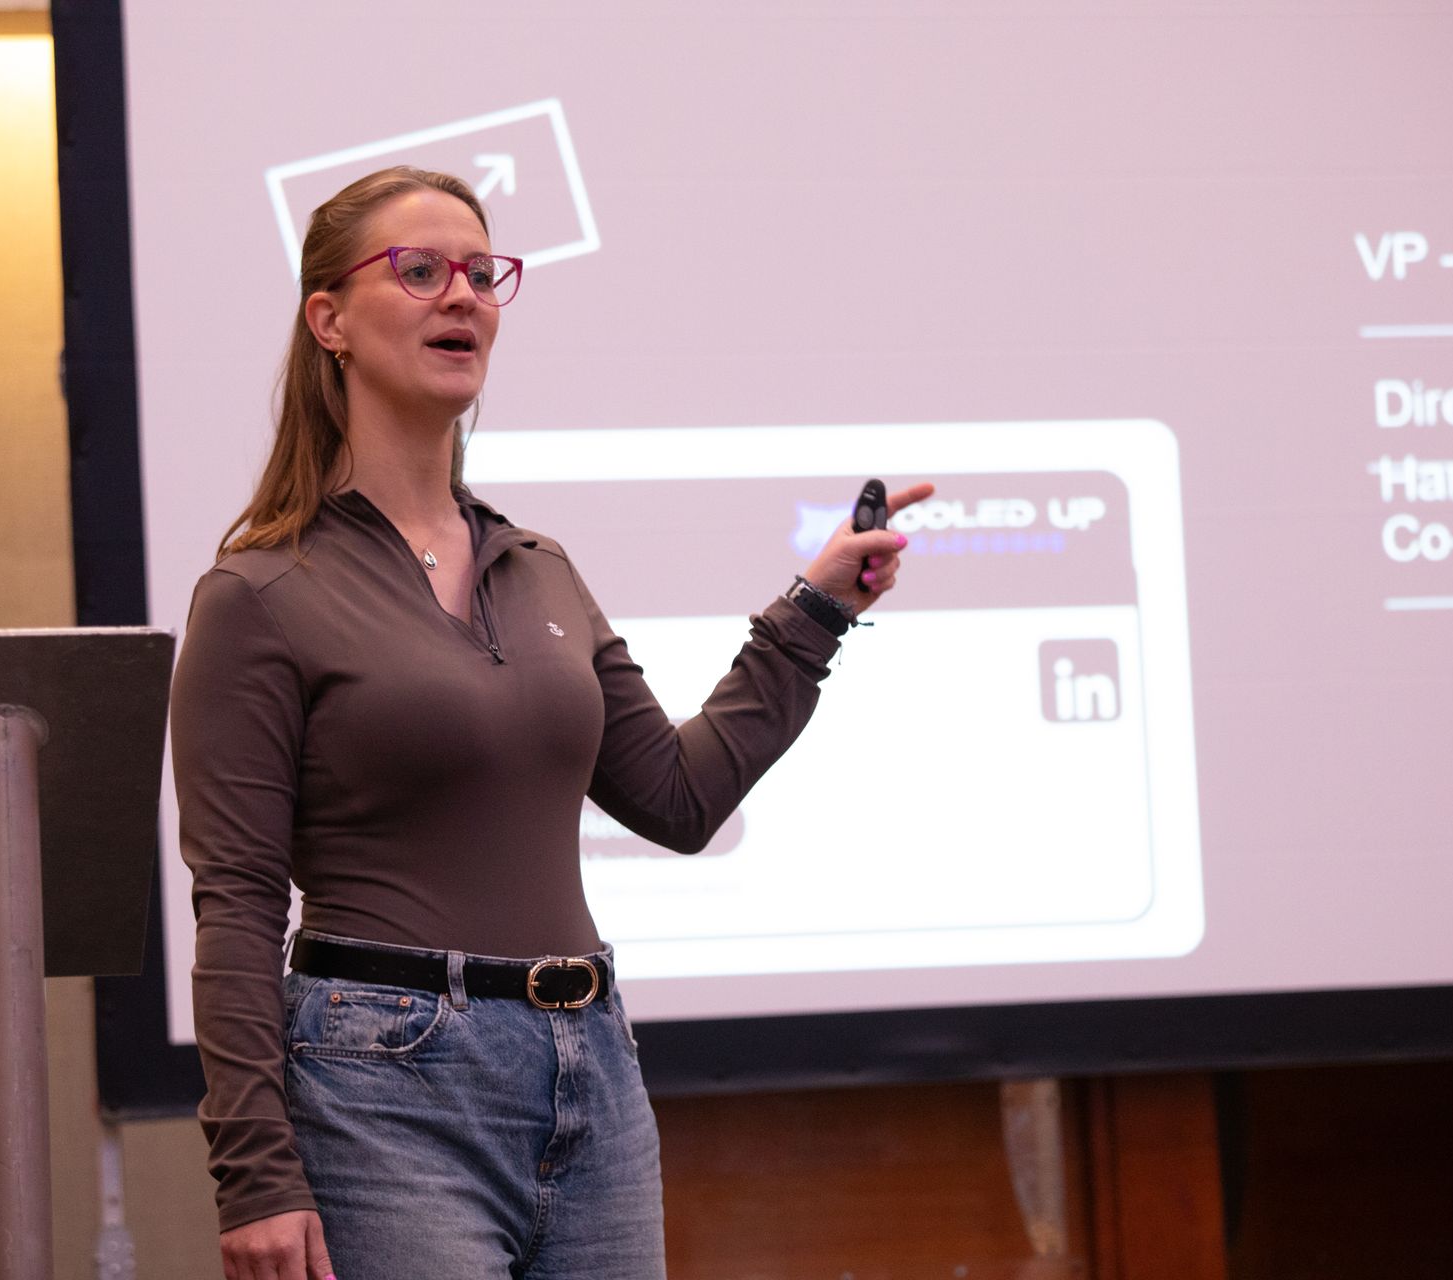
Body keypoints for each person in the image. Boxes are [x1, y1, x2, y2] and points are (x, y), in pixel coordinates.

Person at [170, 165, 933, 1280]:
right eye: (420, 270)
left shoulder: (538, 568)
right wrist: (255, 1171)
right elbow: (234, 903)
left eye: (483, 274)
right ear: (327, 319)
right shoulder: (261, 591)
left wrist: (814, 611)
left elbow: (677, 797)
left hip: (593, 1072)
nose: (464, 296)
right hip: (382, 1080)